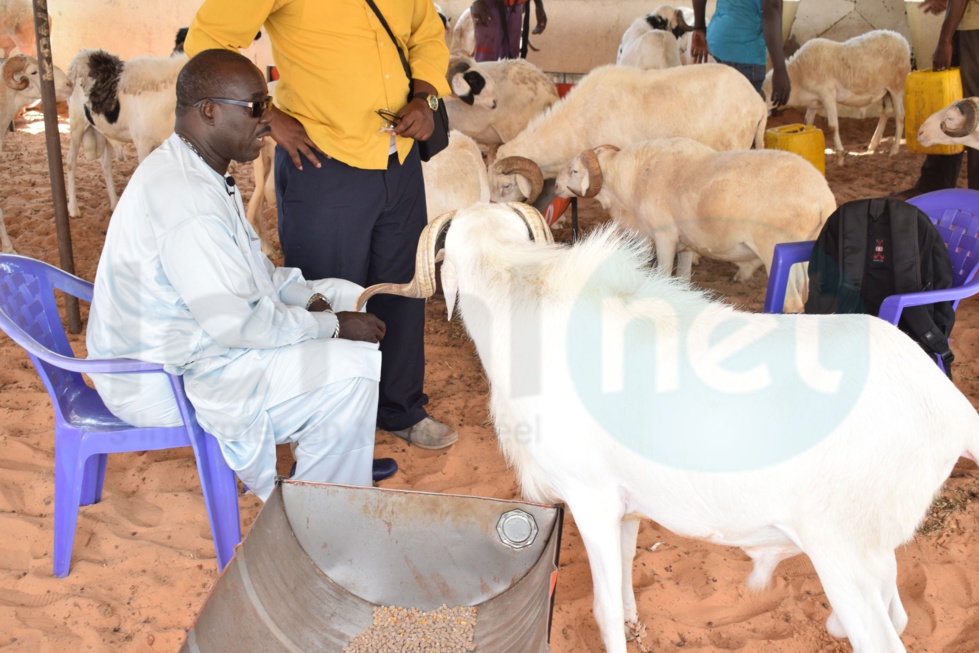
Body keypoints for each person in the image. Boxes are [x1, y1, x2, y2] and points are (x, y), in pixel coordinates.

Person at [86, 49, 392, 502]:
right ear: (208, 111)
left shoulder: (199, 167)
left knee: (347, 293)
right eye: (255, 107)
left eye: (267, 104)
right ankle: (322, 511)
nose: (268, 120)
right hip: (160, 374)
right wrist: (331, 326)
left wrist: (312, 301)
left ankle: (334, 466)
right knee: (353, 368)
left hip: (192, 338)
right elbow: (237, 325)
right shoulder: (186, 199)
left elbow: (250, 272)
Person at [184, 2, 459, 450]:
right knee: (329, 294)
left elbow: (425, 34)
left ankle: (400, 408)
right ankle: (329, 429)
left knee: (402, 289)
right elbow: (206, 44)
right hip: (322, 157)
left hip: (401, 159)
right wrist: (270, 117)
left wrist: (426, 98)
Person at [895, 0, 979, 199]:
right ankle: (933, 185)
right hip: (969, 24)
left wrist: (945, 40)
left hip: (974, 31)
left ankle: (965, 194)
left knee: (970, 113)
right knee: (953, 102)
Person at [691, 0, 790, 107]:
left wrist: (699, 27)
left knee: (715, 112)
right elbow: (771, 8)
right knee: (743, 119)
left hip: (716, 46)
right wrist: (780, 69)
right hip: (746, 55)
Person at [471, 0, 547, 62]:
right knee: (486, 58)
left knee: (511, 58)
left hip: (515, 5)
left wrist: (539, 5)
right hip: (489, 4)